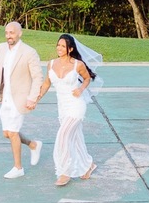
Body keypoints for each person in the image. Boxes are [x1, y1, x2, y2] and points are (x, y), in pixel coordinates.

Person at [34, 34, 100, 187]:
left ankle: (65, 172)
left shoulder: (78, 65)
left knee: (63, 136)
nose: (59, 48)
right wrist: (36, 99)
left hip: (76, 106)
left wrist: (81, 89)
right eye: (58, 45)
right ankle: (88, 165)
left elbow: (87, 78)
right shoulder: (51, 64)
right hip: (62, 108)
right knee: (75, 138)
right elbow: (45, 84)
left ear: (70, 49)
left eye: (63, 46)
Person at [0, 21, 44, 179]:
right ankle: (33, 144)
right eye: (6, 33)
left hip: (21, 98)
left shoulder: (29, 52)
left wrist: (32, 98)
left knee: (13, 132)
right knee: (7, 133)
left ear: (19, 33)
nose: (8, 36)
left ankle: (18, 168)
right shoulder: (1, 48)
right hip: (6, 97)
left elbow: (38, 77)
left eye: (11, 33)